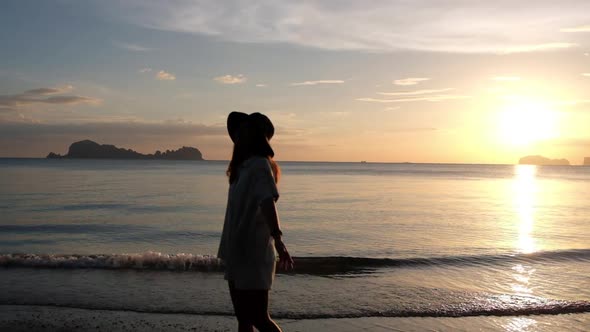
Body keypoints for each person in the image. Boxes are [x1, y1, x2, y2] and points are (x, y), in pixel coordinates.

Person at [218, 111, 294, 332]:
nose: (238, 136)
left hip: (254, 253)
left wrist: (279, 241)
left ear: (254, 136)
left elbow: (267, 202)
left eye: (244, 131)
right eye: (238, 131)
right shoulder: (241, 169)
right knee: (243, 319)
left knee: (260, 318)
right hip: (236, 251)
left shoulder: (260, 165)